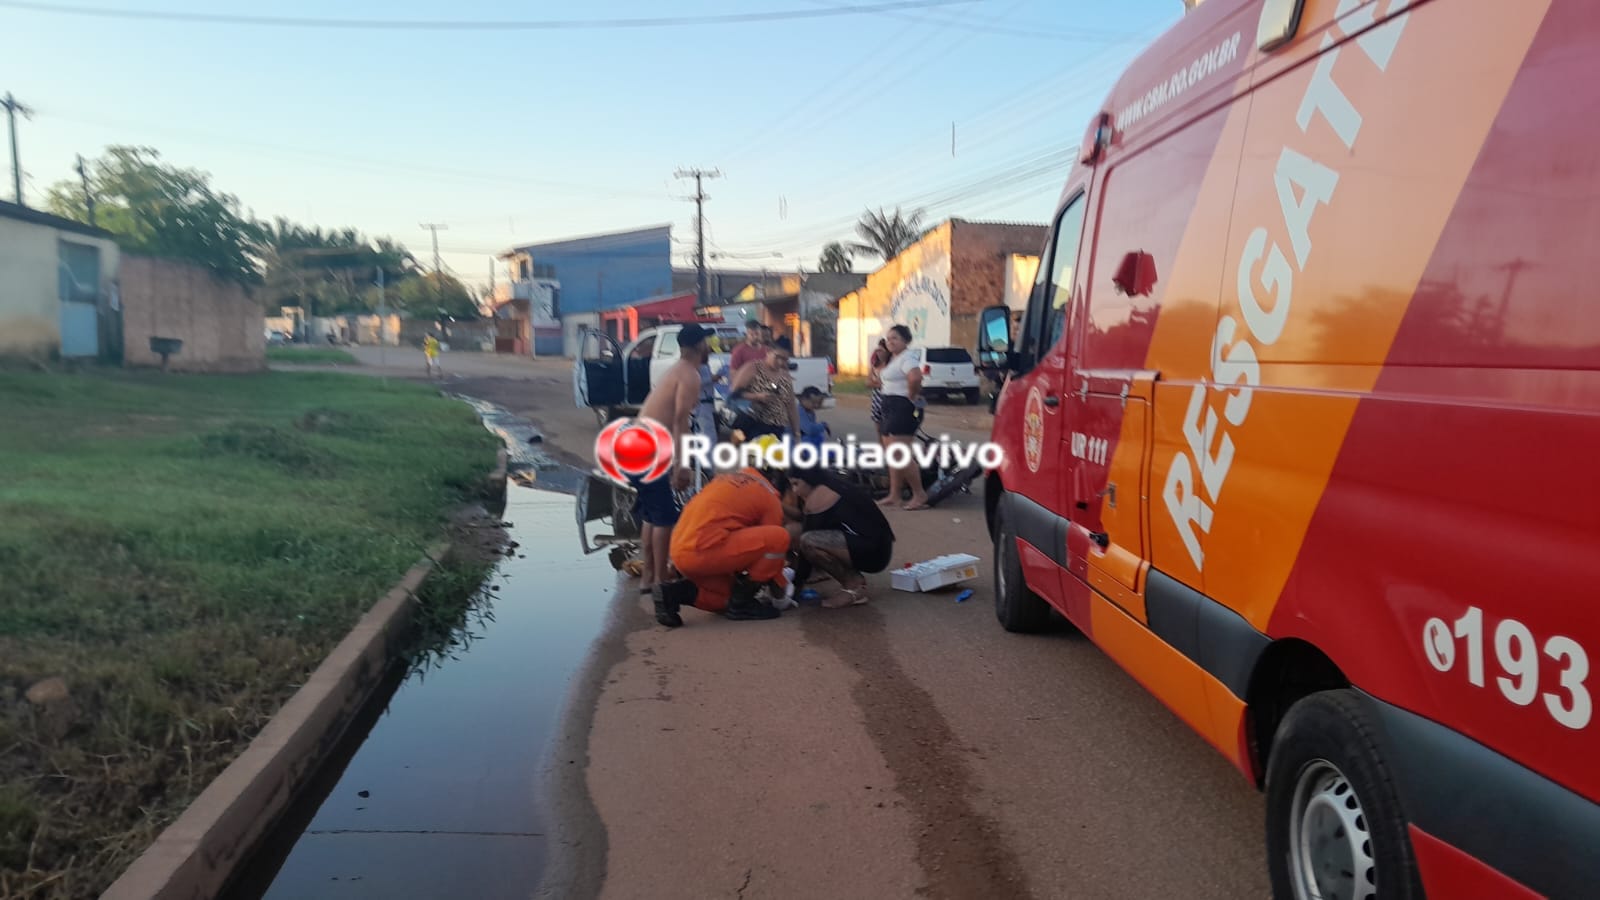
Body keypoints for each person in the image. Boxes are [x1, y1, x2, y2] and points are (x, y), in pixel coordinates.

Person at [658, 467, 791, 626]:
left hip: (681, 553)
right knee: (780, 537)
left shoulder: (727, 480)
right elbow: (773, 552)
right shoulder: (770, 498)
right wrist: (781, 596)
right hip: (705, 550)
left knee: (728, 598)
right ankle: (743, 604)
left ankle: (673, 593)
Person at [633, 323, 708, 602]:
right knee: (664, 516)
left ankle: (649, 578)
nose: (709, 348)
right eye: (707, 343)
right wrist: (682, 464)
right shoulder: (689, 375)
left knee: (653, 514)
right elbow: (680, 420)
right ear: (699, 345)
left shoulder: (675, 371)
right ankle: (661, 582)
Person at [790, 468, 895, 608]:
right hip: (877, 545)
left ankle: (854, 587)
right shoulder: (831, 483)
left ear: (809, 480)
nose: (794, 491)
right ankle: (835, 576)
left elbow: (807, 540)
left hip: (874, 552)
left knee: (808, 541)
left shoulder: (819, 495)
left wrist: (795, 587)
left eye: (796, 484)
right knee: (800, 533)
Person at [871, 324, 929, 510]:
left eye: (895, 338)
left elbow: (915, 377)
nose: (890, 341)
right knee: (892, 454)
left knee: (900, 453)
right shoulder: (894, 359)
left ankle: (919, 494)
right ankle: (895, 494)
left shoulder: (908, 357)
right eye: (888, 338)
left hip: (902, 407)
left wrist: (911, 396)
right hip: (888, 405)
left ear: (906, 340)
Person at [730, 337, 799, 440]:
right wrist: (756, 397)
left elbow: (791, 406)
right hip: (755, 425)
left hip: (777, 428)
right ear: (769, 351)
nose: (781, 363)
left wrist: (797, 434)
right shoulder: (753, 368)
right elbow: (734, 393)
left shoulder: (785, 375)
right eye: (778, 357)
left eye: (785, 359)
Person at [868, 338, 890, 434]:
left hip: (889, 403)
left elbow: (889, 385)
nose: (879, 353)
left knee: (888, 433)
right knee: (879, 432)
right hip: (876, 402)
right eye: (877, 350)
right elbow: (868, 383)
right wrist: (879, 384)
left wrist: (877, 383)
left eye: (881, 351)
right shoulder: (874, 366)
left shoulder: (892, 366)